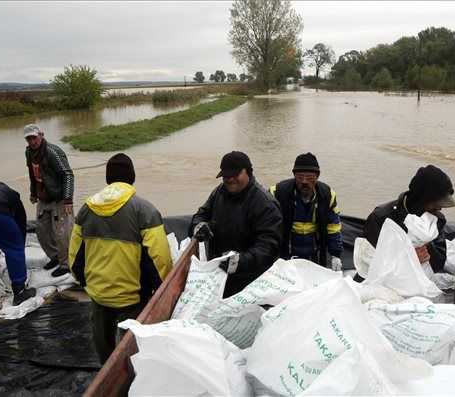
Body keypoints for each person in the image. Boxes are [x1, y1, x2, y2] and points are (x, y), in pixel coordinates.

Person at [68, 153, 172, 364]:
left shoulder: (86, 210)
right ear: (132, 177)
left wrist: (85, 283)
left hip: (98, 296)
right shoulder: (145, 211)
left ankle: (105, 378)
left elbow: (74, 256)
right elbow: (159, 257)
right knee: (131, 353)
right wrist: (161, 291)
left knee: (103, 348)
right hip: (132, 298)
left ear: (108, 178)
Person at [190, 151, 282, 298]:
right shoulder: (219, 192)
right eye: (226, 176)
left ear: (248, 172)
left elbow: (269, 247)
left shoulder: (265, 204)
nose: (230, 180)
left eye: (235, 175)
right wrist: (199, 226)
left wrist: (241, 261)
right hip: (219, 277)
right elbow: (201, 214)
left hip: (251, 283)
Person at [363, 164, 455, 274]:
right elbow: (370, 258)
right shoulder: (380, 217)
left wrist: (427, 244)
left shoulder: (436, 221)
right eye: (436, 202)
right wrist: (410, 258)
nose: (440, 207)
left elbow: (439, 264)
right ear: (423, 198)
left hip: (421, 277)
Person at [270, 153, 344, 271]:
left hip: (314, 255)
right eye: (300, 177)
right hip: (286, 254)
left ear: (317, 177)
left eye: (309, 178)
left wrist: (336, 255)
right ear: (294, 176)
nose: (304, 182)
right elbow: (267, 227)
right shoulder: (277, 193)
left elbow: (333, 227)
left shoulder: (328, 195)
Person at [24, 123, 74, 277]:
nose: (32, 141)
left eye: (34, 138)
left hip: (59, 197)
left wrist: (68, 199)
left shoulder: (53, 152)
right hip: (43, 196)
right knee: (41, 230)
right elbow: (33, 175)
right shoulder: (29, 153)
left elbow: (68, 175)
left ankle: (66, 264)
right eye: (29, 139)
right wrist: (33, 193)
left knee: (62, 233)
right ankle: (55, 257)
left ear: (41, 135)